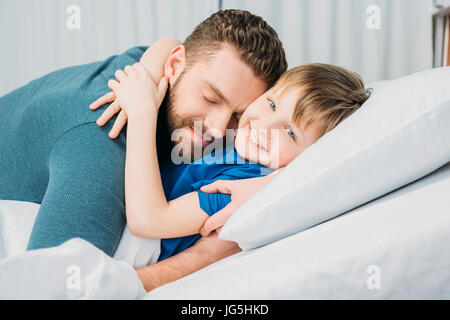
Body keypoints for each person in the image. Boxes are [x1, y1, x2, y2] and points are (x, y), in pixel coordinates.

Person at [0, 10, 286, 292]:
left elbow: (166, 45)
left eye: (238, 115)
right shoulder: (101, 147)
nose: (219, 130)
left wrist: (271, 182)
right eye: (210, 98)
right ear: (174, 66)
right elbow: (51, 288)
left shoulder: (157, 72)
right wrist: (206, 256)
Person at [92, 62, 370, 273]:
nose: (265, 126)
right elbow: (169, 45)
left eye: (290, 133)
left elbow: (148, 221)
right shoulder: (234, 137)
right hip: (127, 206)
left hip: (132, 242)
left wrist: (143, 112)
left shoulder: (244, 184)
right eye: (272, 103)